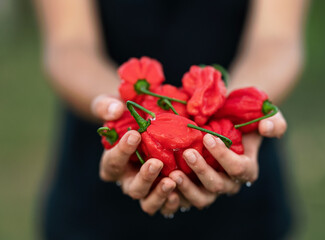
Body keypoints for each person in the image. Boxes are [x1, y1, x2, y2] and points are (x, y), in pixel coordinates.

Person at [34, 0, 306, 239]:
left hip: (242, 197)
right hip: (98, 188)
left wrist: (242, 105)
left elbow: (277, 40)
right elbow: (68, 45)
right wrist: (115, 107)